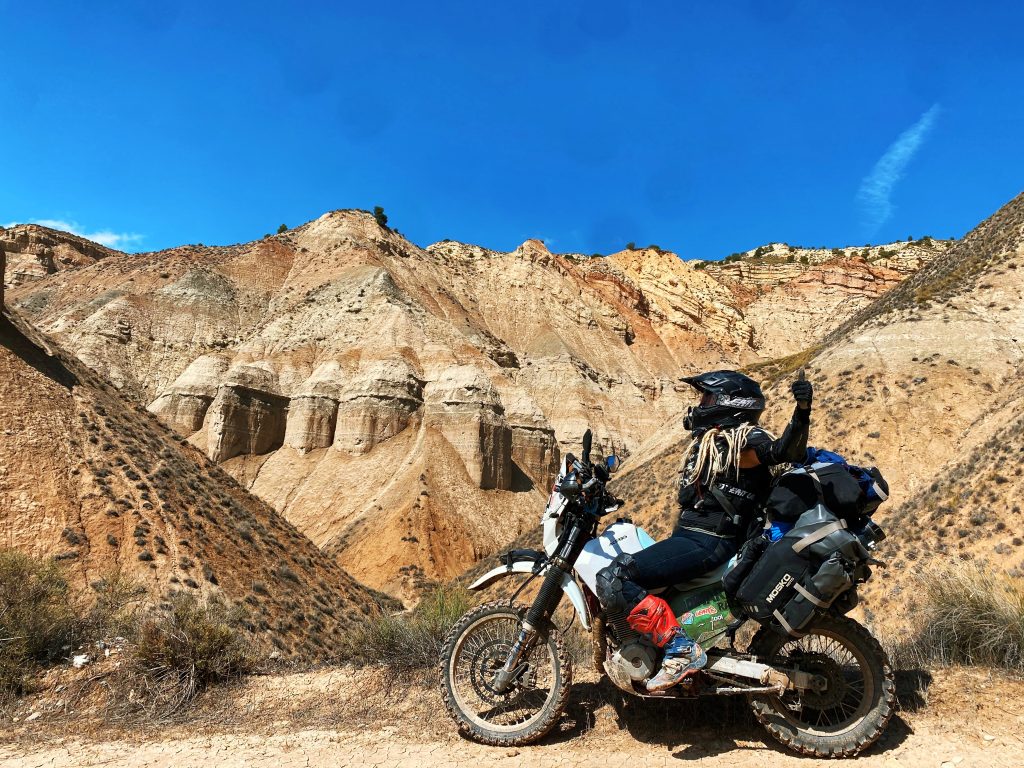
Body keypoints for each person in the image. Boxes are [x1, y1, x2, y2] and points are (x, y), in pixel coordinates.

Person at [596, 370, 813, 691]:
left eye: (708, 398)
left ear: (729, 404)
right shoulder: (714, 440)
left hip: (710, 542)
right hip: (697, 538)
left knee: (616, 578)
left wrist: (802, 411)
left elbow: (782, 451)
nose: (702, 404)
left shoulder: (743, 439)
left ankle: (679, 649)